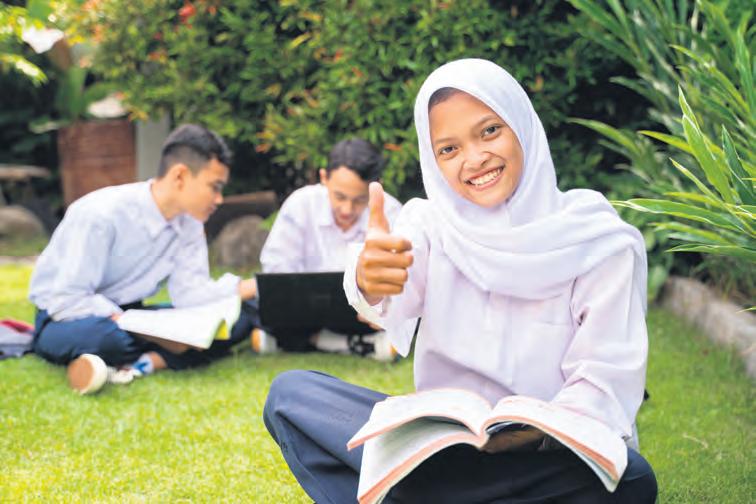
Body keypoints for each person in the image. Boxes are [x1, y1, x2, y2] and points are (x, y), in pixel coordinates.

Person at [263, 59, 658, 502]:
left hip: (544, 455)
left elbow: (603, 384)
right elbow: (385, 298)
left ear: (522, 125)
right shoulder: (428, 225)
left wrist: (523, 436)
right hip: (440, 448)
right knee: (291, 396)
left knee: (631, 478)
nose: (474, 159)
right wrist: (367, 276)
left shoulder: (597, 239)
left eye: (489, 131)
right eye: (448, 149)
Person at [29, 124, 259, 394]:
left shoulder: (190, 223)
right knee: (107, 340)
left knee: (234, 320)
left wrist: (245, 290)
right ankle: (155, 354)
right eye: (214, 187)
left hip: (130, 315)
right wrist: (146, 330)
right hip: (67, 317)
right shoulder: (101, 214)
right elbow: (68, 299)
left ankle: (144, 363)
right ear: (180, 176)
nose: (219, 199)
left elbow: (191, 294)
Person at [255, 138, 402, 360]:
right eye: (339, 197)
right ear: (324, 178)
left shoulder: (391, 212)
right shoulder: (300, 204)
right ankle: (349, 344)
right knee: (256, 306)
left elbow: (403, 283)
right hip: (303, 314)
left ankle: (302, 342)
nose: (347, 209)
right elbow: (277, 270)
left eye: (360, 200)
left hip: (363, 316)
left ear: (376, 188)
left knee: (409, 316)